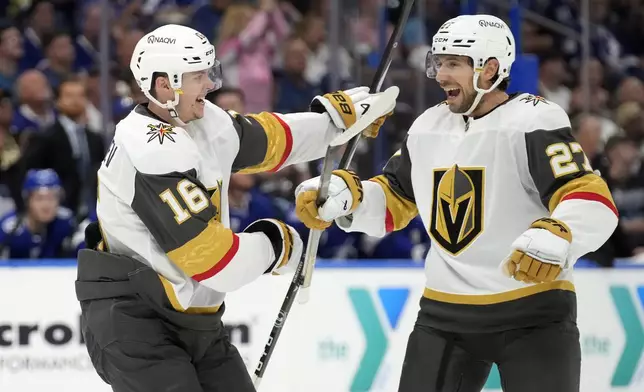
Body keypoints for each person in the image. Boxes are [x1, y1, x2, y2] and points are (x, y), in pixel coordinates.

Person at [294, 15, 618, 392]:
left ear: (490, 69)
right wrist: (349, 198)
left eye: (453, 63)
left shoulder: (533, 120)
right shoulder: (428, 125)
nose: (439, 75)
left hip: (533, 313)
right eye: (438, 62)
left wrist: (563, 233)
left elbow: (590, 196)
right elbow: (396, 200)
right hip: (445, 315)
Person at [74, 24, 395, 392]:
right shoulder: (150, 152)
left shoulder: (199, 119)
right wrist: (276, 243)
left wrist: (336, 123)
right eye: (198, 76)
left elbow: (272, 141)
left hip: (195, 320)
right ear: (165, 86)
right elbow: (214, 261)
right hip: (135, 322)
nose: (210, 84)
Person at [0, 168, 75, 259]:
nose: (46, 205)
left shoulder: (66, 222)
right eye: (39, 199)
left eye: (52, 198)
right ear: (27, 201)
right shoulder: (9, 228)